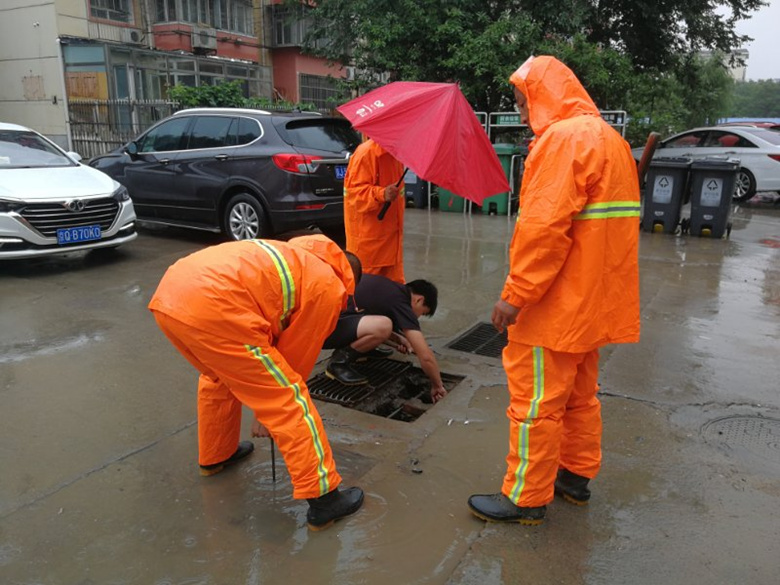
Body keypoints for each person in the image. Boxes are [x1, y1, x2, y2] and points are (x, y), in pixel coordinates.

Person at [467, 56, 641, 525]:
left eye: (523, 100)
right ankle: (574, 478)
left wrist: (515, 296)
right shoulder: (612, 140)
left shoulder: (563, 140)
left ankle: (525, 498)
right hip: (594, 304)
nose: (521, 111)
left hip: (555, 308)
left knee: (535, 405)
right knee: (581, 398)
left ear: (544, 95)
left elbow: (543, 230)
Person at [148, 234, 365, 531]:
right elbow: (295, 360)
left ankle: (216, 455)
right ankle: (325, 500)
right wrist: (267, 414)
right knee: (288, 398)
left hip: (171, 298)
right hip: (216, 306)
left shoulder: (292, 256)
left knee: (219, 376)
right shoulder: (327, 285)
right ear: (348, 278)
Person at [323, 274, 447, 403]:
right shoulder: (401, 302)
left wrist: (400, 340)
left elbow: (370, 323)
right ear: (419, 300)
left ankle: (363, 351)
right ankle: (338, 363)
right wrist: (437, 385)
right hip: (323, 331)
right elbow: (426, 357)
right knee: (384, 325)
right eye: (422, 312)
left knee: (385, 326)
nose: (418, 317)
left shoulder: (390, 290)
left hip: (326, 322)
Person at [343, 138, 406, 284]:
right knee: (366, 290)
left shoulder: (395, 154)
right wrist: (382, 194)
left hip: (392, 246)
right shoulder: (366, 153)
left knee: (394, 291)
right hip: (370, 249)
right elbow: (354, 195)